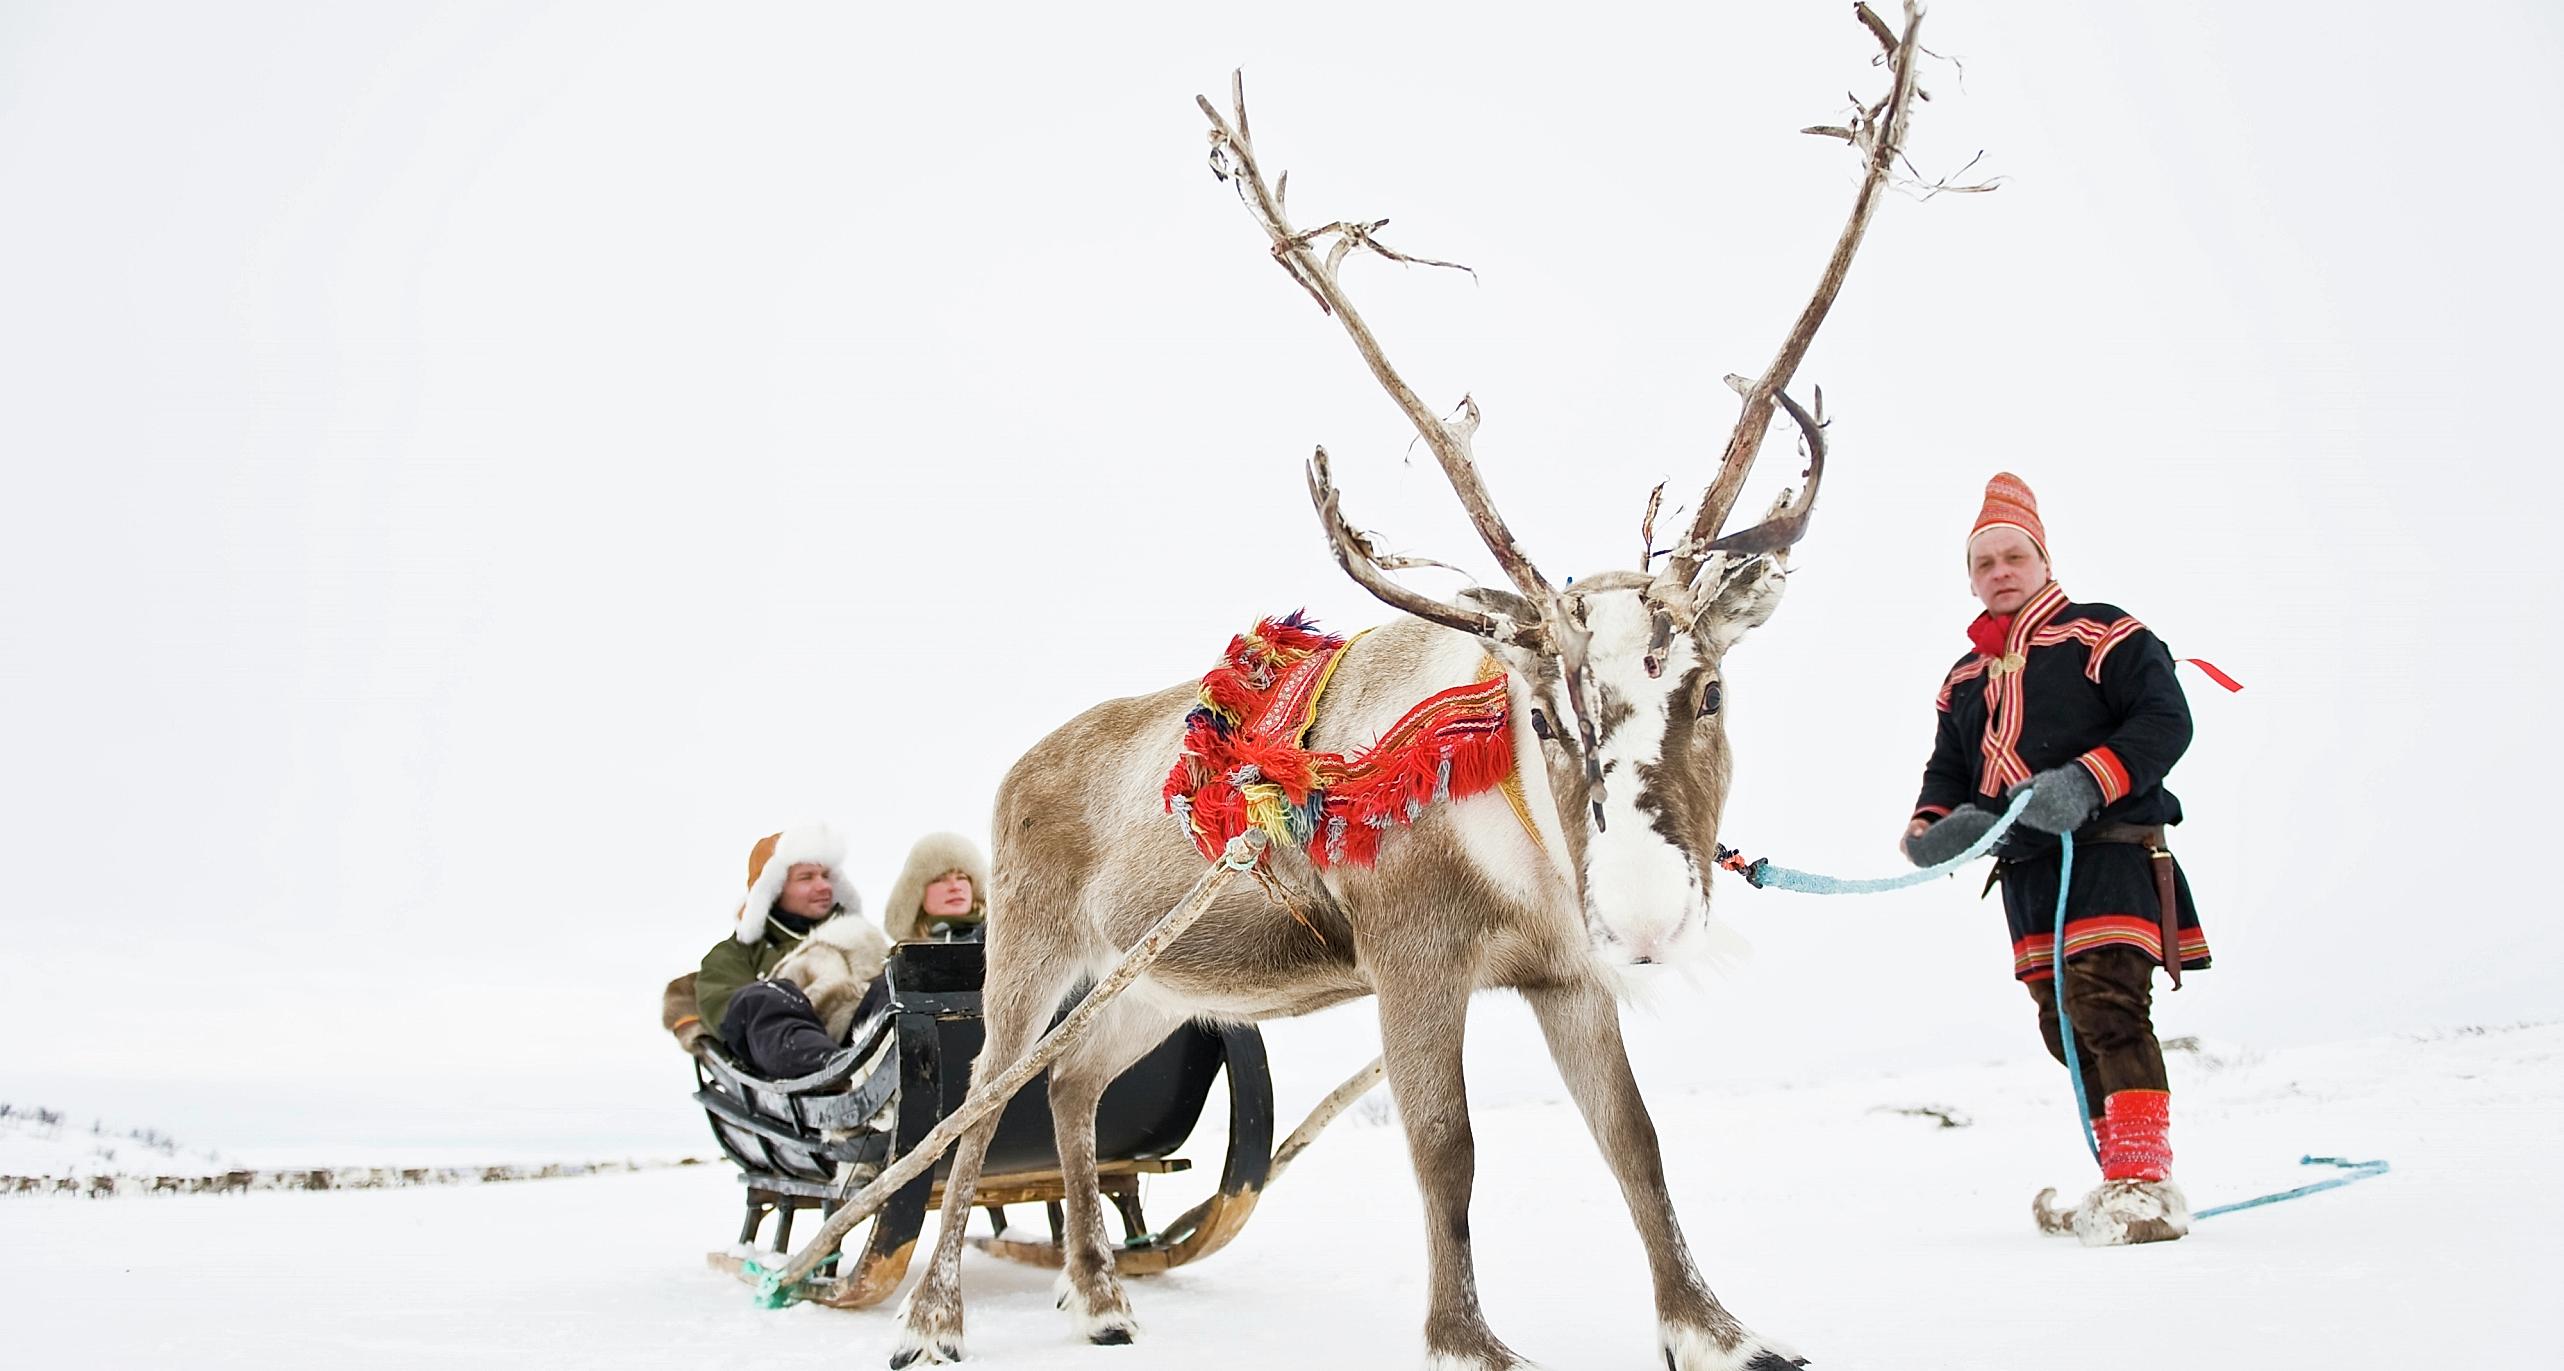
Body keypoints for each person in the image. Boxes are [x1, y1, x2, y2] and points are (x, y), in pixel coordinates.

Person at [1902, 472, 2210, 1246]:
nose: (2000, 571)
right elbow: (1947, 771)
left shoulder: (2104, 633)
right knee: (2062, 1024)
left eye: (2014, 556)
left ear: (2044, 561)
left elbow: (2165, 718)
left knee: (2107, 1004)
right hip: (2027, 873)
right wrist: (1932, 829)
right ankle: (2119, 1180)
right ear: (1971, 578)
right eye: (1984, 563)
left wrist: (2085, 779)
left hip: (2111, 851)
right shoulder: (1963, 677)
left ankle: (2145, 1182)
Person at [685, 825, 886, 1079]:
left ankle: (903, 1063)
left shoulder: (860, 940)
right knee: (761, 998)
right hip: (793, 1056)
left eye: (826, 876)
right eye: (806, 877)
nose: (824, 886)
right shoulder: (732, 956)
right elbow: (731, 1019)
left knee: (897, 982)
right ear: (773, 888)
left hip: (861, 1037)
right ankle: (829, 1068)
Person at [879, 831, 990, 942]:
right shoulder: (904, 952)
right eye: (940, 880)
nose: (955, 887)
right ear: (918, 896)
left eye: (961, 878)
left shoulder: (998, 945)